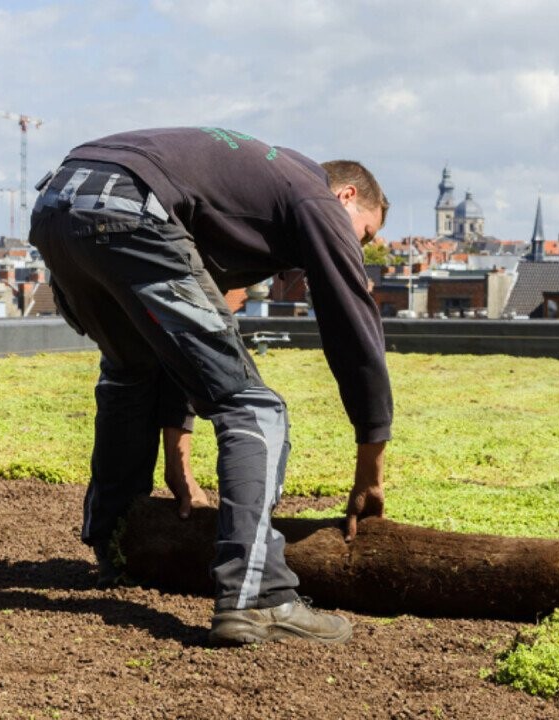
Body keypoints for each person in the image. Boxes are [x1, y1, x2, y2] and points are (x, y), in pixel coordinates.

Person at [29, 127, 391, 645]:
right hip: (132, 201)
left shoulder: (255, 195)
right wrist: (370, 470)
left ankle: (120, 546)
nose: (362, 247)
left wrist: (179, 461)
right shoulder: (315, 195)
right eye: (368, 234)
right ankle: (258, 598)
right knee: (254, 406)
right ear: (348, 196)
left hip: (61, 201)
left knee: (131, 368)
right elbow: (356, 336)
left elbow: (179, 350)